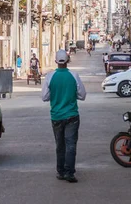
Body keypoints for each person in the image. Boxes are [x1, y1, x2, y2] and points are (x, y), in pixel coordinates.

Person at [42, 50, 87, 183]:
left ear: (56, 61)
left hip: (56, 117)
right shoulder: (74, 75)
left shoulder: (50, 77)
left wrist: (55, 95)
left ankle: (60, 171)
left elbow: (44, 97)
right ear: (67, 61)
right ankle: (69, 173)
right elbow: (82, 95)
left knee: (60, 145)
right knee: (71, 145)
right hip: (72, 116)